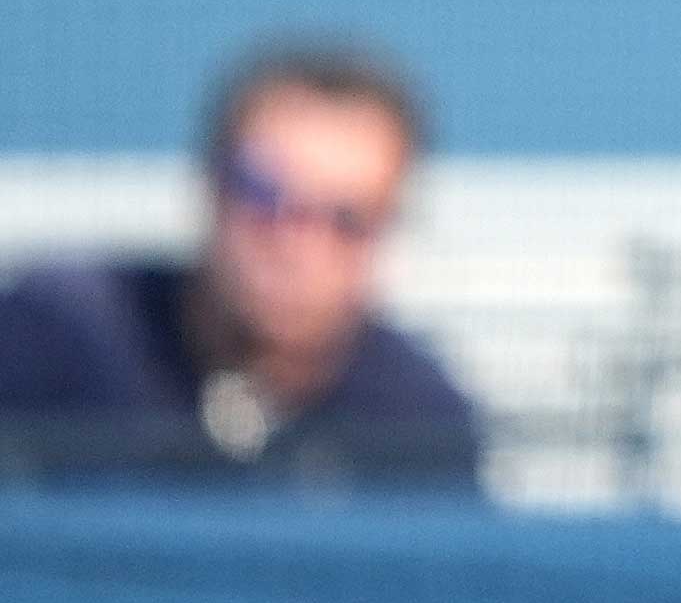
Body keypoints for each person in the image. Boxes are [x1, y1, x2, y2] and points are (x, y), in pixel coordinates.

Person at [0, 39, 480, 485]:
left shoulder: (419, 423)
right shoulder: (57, 343)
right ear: (210, 184)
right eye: (266, 197)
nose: (297, 244)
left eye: (346, 218)